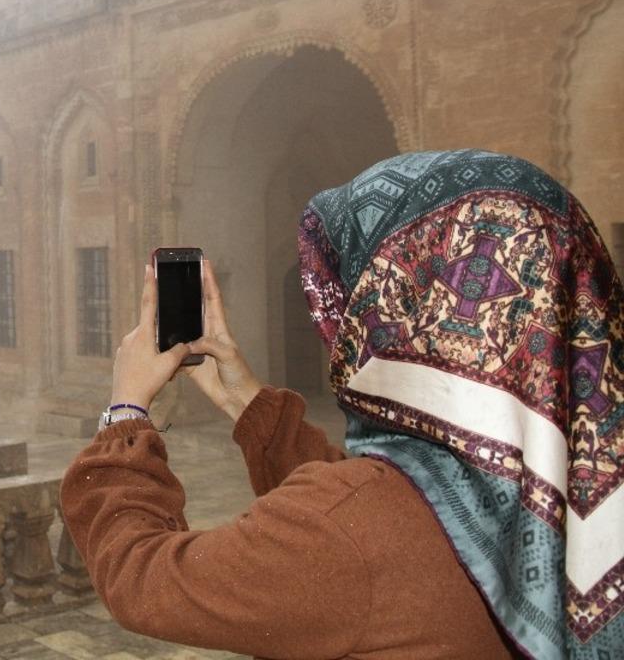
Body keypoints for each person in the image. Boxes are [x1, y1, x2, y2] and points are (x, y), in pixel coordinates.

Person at [60, 149, 624, 660]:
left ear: (401, 300)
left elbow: (146, 581)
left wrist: (125, 411)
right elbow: (374, 513)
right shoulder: (584, 490)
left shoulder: (353, 535)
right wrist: (247, 402)